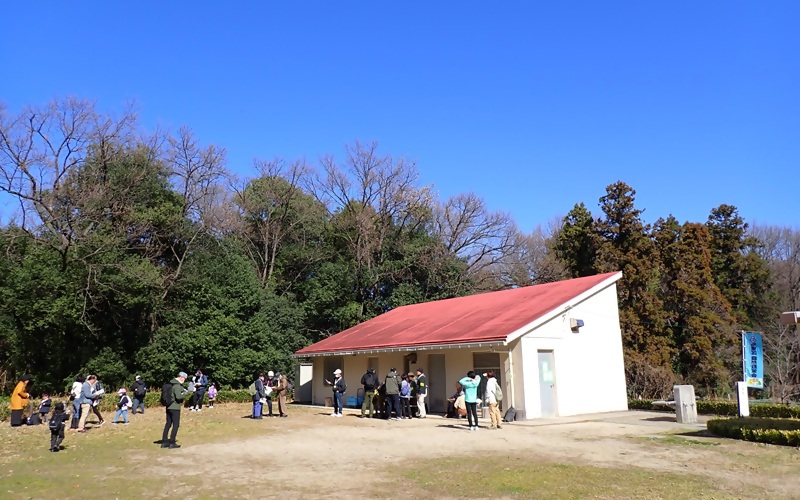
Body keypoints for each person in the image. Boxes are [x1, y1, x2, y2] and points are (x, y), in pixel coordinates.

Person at [162, 371, 190, 449]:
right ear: (181, 377)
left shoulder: (171, 383)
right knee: (176, 425)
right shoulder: (177, 385)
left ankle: (164, 442)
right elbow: (178, 396)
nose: (184, 380)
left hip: (168, 406)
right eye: (184, 379)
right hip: (175, 407)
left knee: (168, 424)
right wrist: (186, 393)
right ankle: (172, 442)